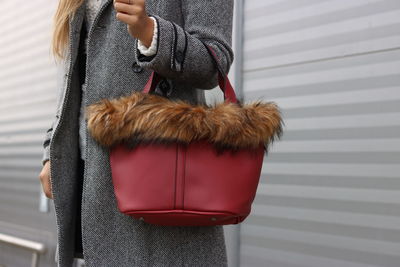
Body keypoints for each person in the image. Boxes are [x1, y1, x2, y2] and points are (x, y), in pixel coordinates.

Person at [38, 0, 234, 266]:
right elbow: (74, 77)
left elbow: (215, 61)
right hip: (85, 184)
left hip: (155, 184)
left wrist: (150, 31)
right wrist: (52, 150)